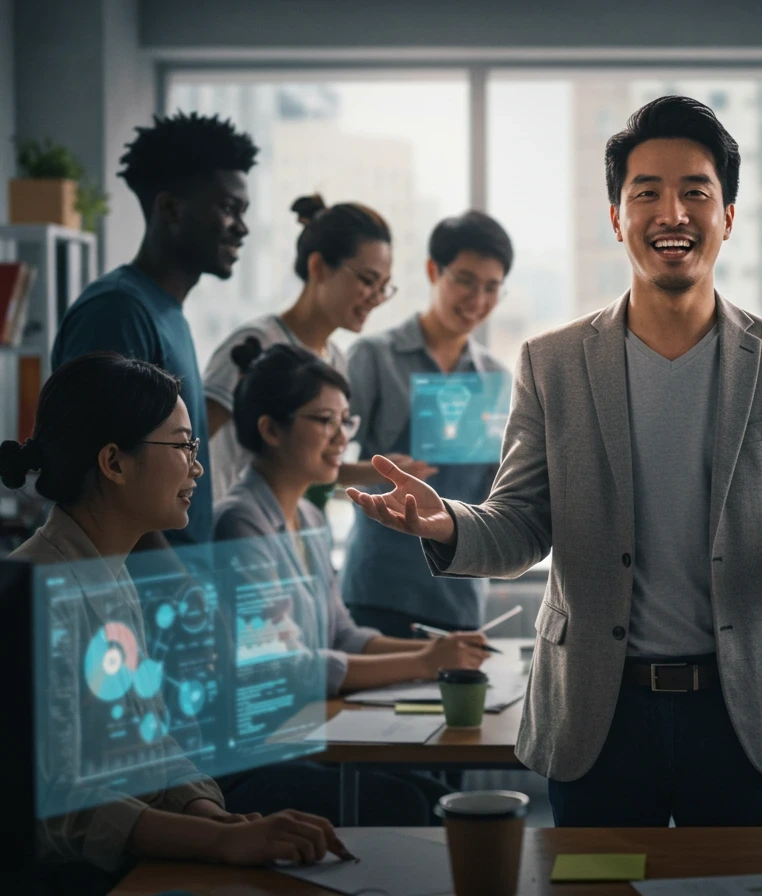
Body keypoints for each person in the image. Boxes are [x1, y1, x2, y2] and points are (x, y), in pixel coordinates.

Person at [347, 95, 762, 827]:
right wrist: (448, 524)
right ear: (615, 217)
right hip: (599, 712)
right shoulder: (552, 363)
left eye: (696, 191)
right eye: (646, 193)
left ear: (726, 217)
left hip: (744, 710)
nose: (672, 212)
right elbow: (522, 525)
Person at [1, 354, 349, 893]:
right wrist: (221, 843)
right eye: (183, 445)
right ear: (115, 463)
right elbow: (59, 809)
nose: (198, 466)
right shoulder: (33, 592)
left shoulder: (111, 575)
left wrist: (205, 810)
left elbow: (149, 738)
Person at [212, 339, 487, 825]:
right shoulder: (240, 523)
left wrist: (439, 655)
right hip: (254, 757)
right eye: (325, 421)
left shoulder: (312, 519)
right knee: (411, 804)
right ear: (271, 429)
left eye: (346, 421)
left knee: (434, 797)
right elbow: (286, 668)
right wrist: (424, 660)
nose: (342, 438)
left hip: (303, 737)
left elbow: (343, 635)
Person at [51, 112, 258, 549]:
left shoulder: (166, 314)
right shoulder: (118, 311)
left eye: (244, 211)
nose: (242, 228)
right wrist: (179, 588)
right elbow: (104, 480)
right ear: (169, 207)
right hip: (141, 594)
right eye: (227, 208)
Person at [342, 211, 513, 634]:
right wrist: (374, 473)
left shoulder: (495, 377)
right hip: (380, 589)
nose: (477, 299)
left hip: (460, 590)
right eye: (466, 280)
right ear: (433, 270)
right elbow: (321, 466)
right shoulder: (374, 357)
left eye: (492, 287)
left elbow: (499, 493)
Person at [203, 194, 425, 506]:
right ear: (318, 266)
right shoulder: (255, 344)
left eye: (384, 287)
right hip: (228, 531)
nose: (376, 297)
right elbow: (191, 445)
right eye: (367, 280)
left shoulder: (334, 359)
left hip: (281, 532)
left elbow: (308, 464)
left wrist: (384, 471)